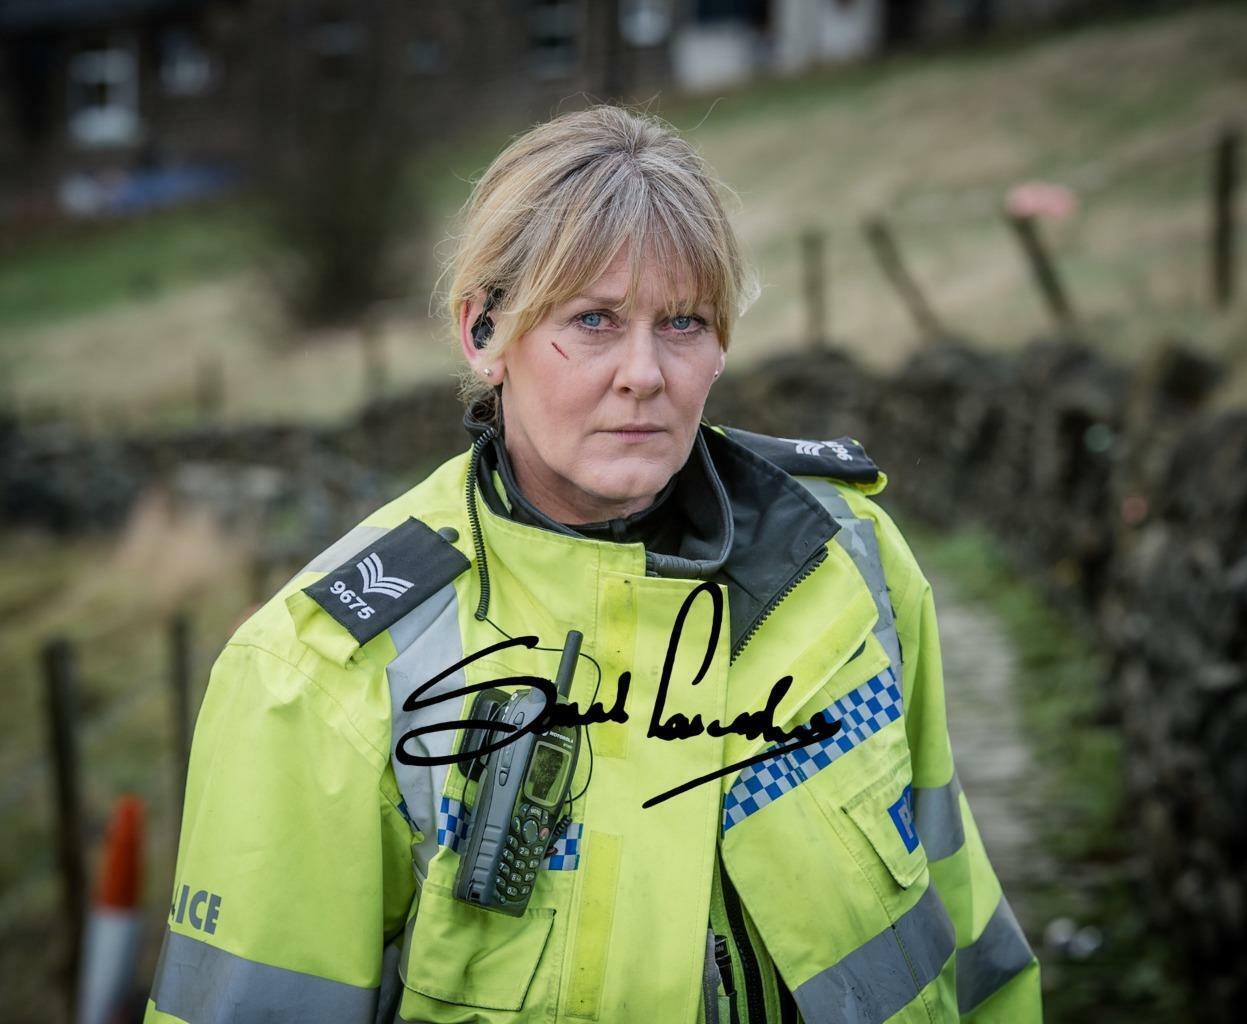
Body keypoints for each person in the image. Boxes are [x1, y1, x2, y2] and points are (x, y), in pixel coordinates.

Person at [145, 105, 1040, 1023]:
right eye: (594, 320)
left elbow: (966, 938)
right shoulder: (322, 676)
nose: (644, 373)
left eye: (684, 322)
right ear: (483, 334)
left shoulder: (846, 558)